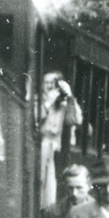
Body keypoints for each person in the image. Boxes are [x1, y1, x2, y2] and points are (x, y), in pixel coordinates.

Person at [36, 71, 84, 207]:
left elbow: (77, 120)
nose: (50, 86)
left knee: (52, 186)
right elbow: (34, 117)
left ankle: (47, 212)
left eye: (53, 83)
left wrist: (70, 97)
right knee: (38, 182)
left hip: (56, 148)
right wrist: (48, 102)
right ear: (41, 85)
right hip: (40, 144)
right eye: (47, 82)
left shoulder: (63, 104)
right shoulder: (36, 99)